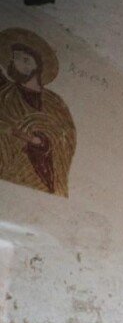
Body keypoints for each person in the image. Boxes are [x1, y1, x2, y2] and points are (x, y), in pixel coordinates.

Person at [0, 28, 76, 197]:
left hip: (45, 179)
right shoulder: (6, 95)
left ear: (37, 65)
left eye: (25, 59)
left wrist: (41, 141)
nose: (18, 63)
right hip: (12, 174)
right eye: (15, 58)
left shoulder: (55, 103)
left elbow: (66, 139)